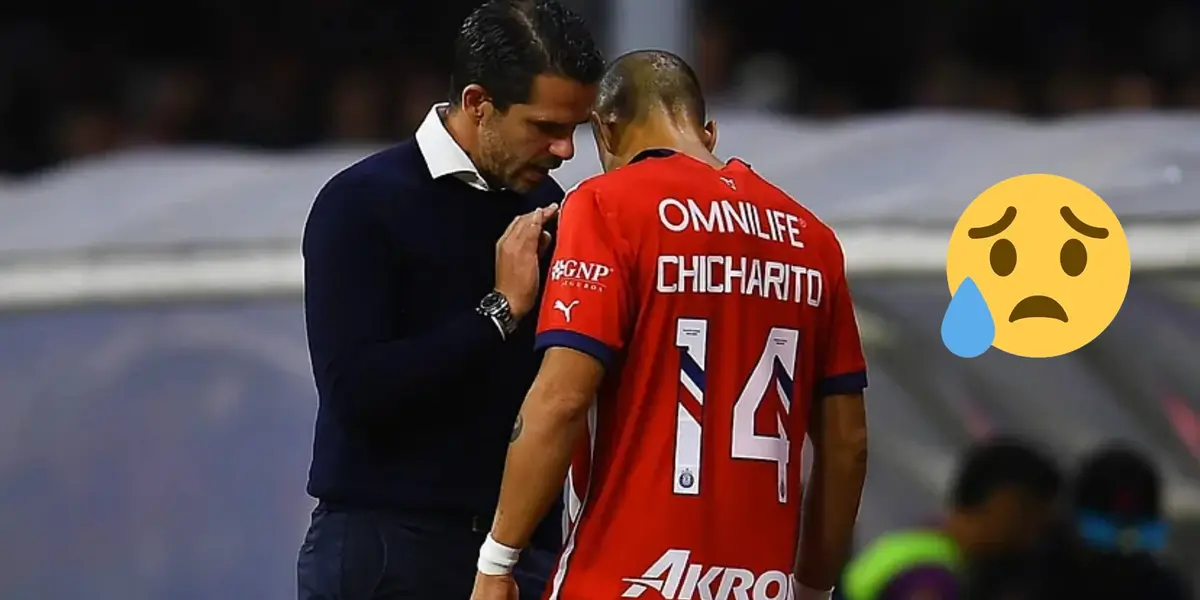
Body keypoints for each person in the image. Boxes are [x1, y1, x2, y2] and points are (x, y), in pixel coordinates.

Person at [469, 49, 870, 600]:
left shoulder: (606, 207)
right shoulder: (813, 240)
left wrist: (498, 560)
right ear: (708, 132)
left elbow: (561, 399)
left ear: (605, 130)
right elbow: (847, 445)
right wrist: (812, 588)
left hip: (625, 582)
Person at [296, 2, 604, 599]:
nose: (565, 150)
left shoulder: (546, 207)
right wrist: (498, 311)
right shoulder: (361, 203)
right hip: (386, 547)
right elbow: (356, 391)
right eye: (545, 127)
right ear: (477, 103)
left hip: (512, 553)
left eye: (575, 129)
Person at [839, 438, 1062, 600]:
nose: (1034, 536)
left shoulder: (911, 542)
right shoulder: (934, 579)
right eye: (1033, 519)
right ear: (1006, 505)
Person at [1030, 443, 1190, 600]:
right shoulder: (1035, 574)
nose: (1120, 552)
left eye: (1133, 538)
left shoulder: (1162, 589)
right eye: (1102, 536)